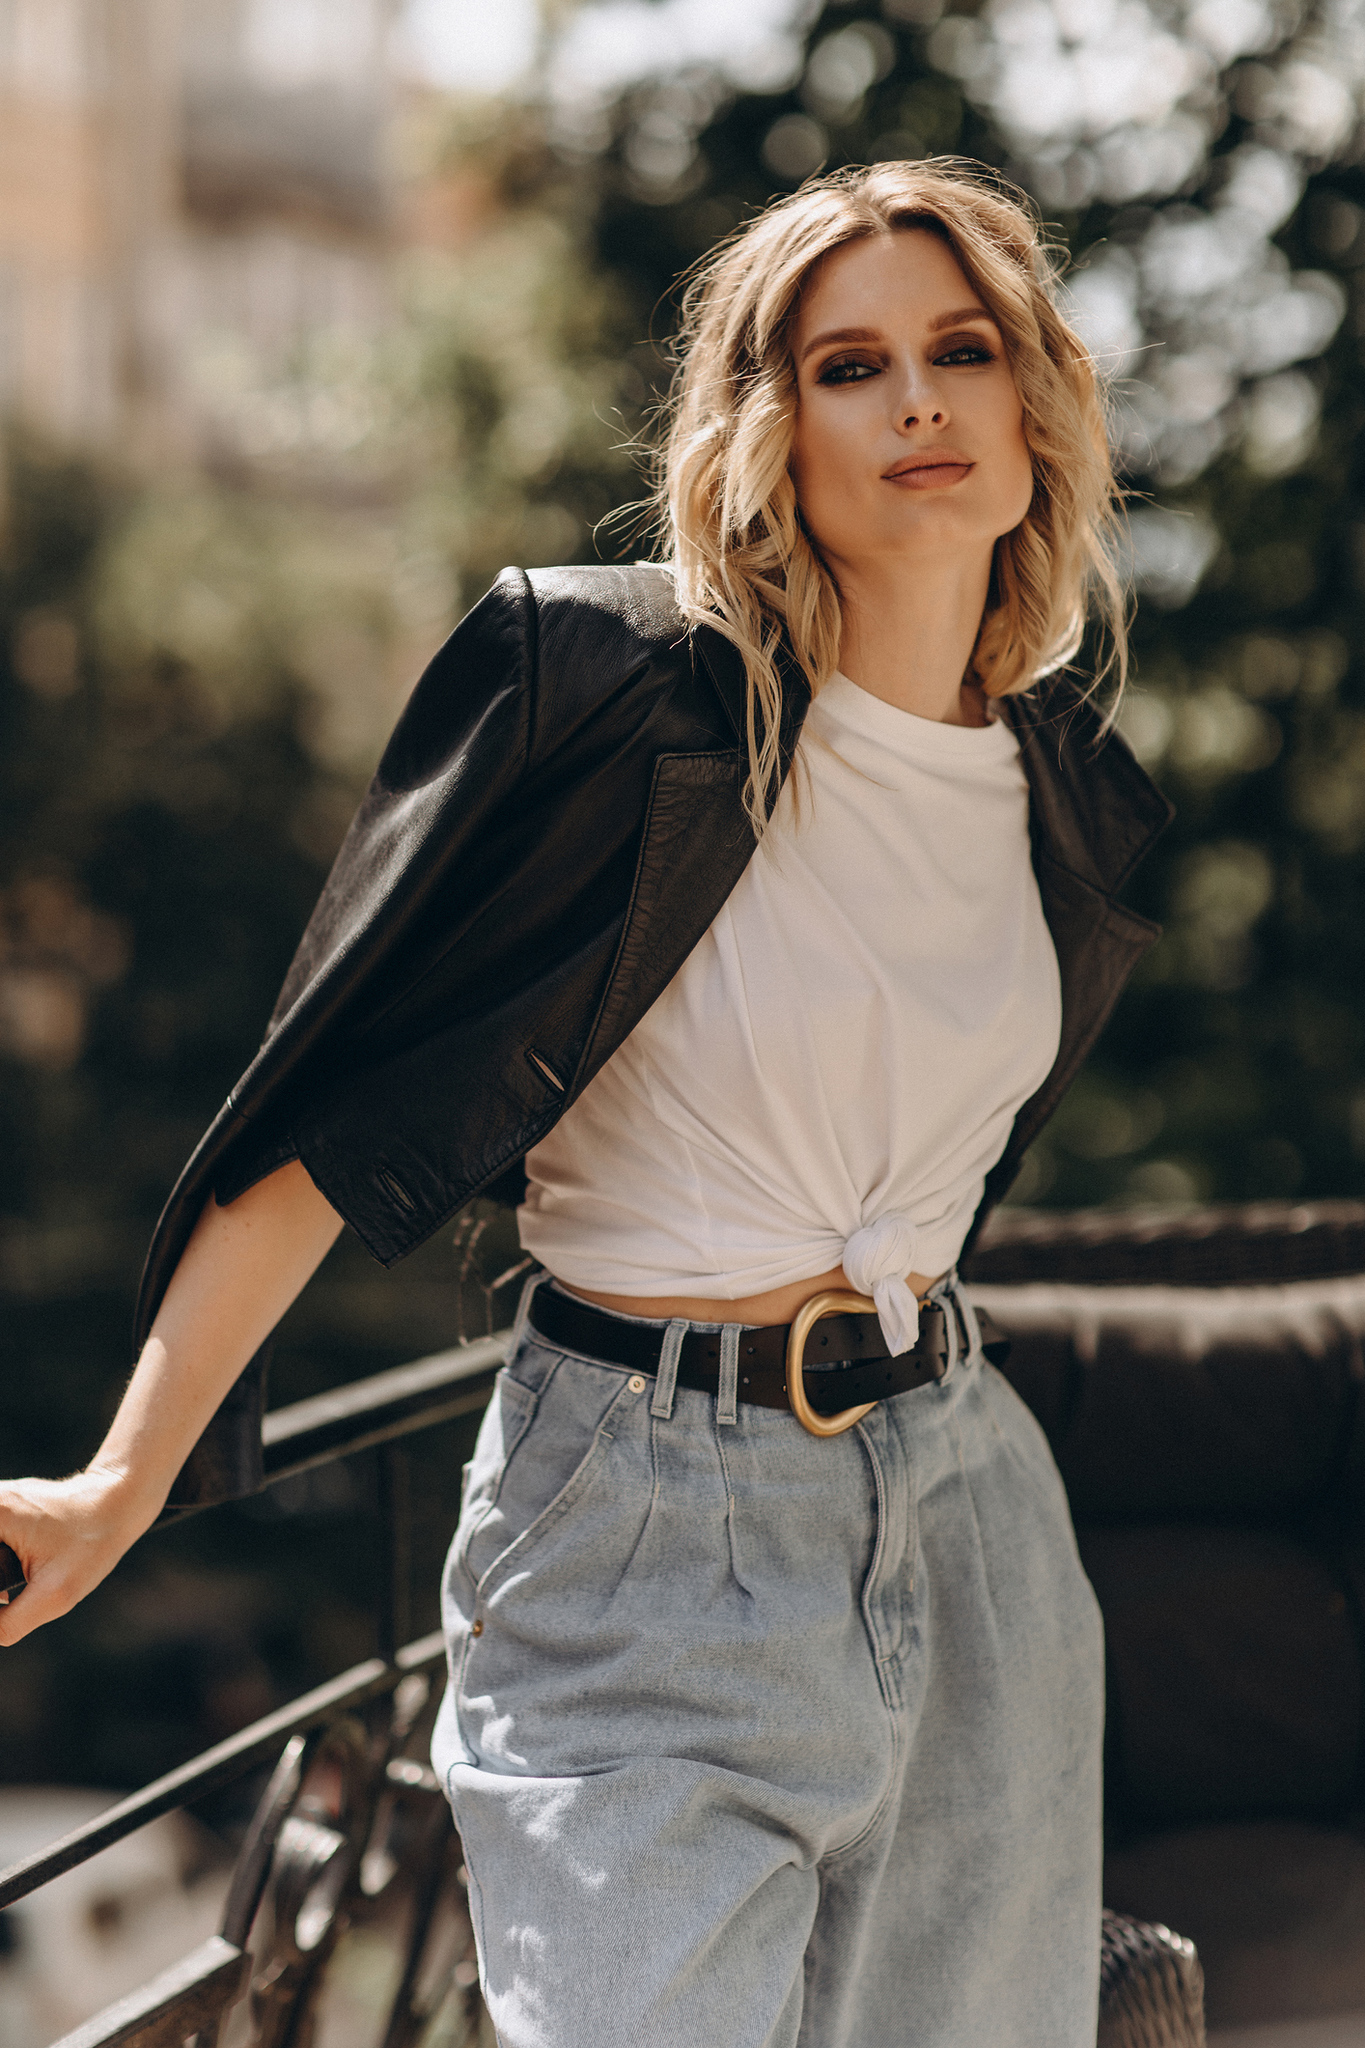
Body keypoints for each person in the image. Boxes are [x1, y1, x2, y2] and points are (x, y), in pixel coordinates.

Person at [0, 159, 1171, 2044]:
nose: (919, 402)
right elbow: (343, 1115)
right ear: (769, 432)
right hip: (639, 1522)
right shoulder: (621, 700)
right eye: (847, 366)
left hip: (966, 1524)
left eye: (961, 349)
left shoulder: (1069, 797)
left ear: (1039, 397)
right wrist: (127, 1483)